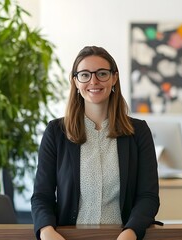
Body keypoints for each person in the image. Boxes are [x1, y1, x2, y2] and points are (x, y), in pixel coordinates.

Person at [31, 46, 160, 240]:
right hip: (67, 237)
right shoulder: (56, 132)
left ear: (114, 77)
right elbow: (42, 195)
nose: (93, 81)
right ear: (75, 81)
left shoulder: (138, 132)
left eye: (101, 73)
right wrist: (46, 231)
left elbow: (148, 197)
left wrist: (130, 233)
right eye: (84, 75)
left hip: (123, 237)